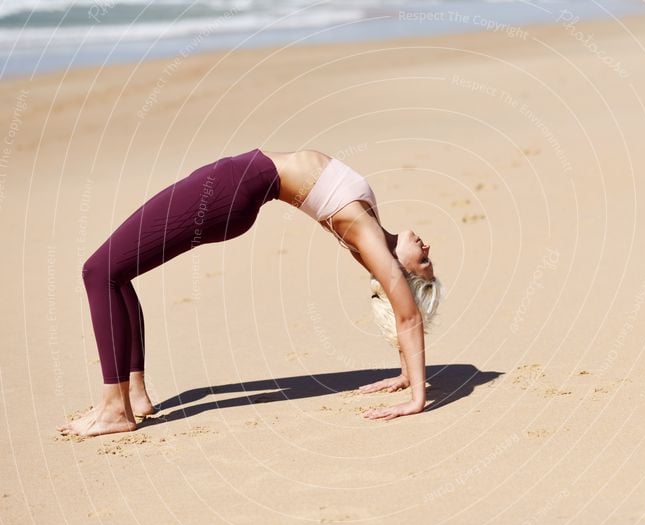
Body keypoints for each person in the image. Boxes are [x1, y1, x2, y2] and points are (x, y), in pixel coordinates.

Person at [58, 148, 442, 437]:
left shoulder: (366, 234)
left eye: (424, 265)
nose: (427, 250)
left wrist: (417, 398)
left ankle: (115, 410)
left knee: (99, 271)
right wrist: (406, 373)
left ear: (400, 274)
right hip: (237, 180)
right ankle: (135, 394)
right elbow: (397, 312)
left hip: (233, 188)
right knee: (117, 273)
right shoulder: (371, 237)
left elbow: (406, 315)